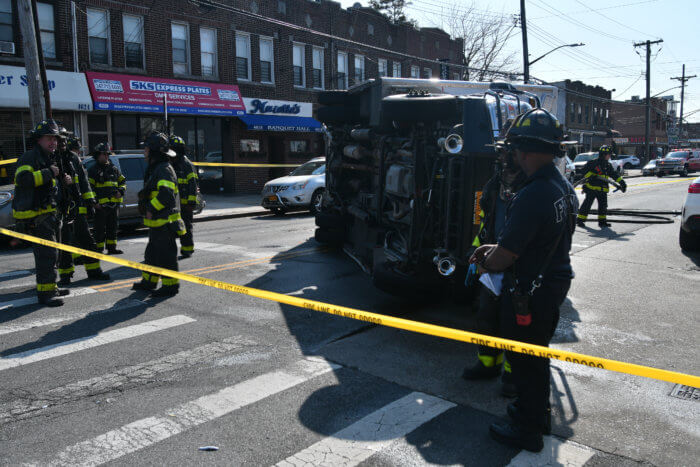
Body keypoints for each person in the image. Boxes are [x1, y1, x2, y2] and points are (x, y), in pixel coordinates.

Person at [469, 108, 577, 452]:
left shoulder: (532, 194)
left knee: (526, 361)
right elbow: (536, 240)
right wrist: (495, 247)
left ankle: (527, 429)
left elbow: (507, 256)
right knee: (536, 356)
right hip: (551, 284)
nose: (512, 154)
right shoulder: (561, 187)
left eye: (514, 147)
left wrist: (486, 262)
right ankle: (537, 414)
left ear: (525, 150)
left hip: (529, 293)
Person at [462, 153, 526, 397]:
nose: (506, 160)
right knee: (487, 317)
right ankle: (488, 364)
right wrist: (476, 252)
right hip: (492, 266)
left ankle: (514, 376)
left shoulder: (533, 188)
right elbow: (484, 222)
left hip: (519, 270)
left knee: (515, 326)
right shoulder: (494, 185)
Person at [12, 120, 72, 306]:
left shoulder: (48, 158)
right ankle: (46, 294)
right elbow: (23, 180)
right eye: (49, 138)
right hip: (38, 218)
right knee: (46, 256)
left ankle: (52, 287)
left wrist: (63, 181)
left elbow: (49, 189)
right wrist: (48, 173)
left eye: (55, 138)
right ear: (38, 139)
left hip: (51, 216)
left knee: (53, 254)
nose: (53, 142)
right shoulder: (29, 157)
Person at [131, 131, 186, 297]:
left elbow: (166, 195)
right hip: (158, 223)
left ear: (154, 151)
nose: (144, 152)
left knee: (166, 257)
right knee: (152, 255)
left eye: (146, 149)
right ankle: (149, 282)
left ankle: (170, 286)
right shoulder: (156, 168)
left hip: (165, 223)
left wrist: (150, 209)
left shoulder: (164, 169)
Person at [56, 133, 110, 285]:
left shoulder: (73, 158)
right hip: (60, 209)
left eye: (64, 141)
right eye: (60, 141)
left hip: (77, 207)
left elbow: (84, 182)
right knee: (64, 243)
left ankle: (94, 271)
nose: (62, 144)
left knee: (87, 239)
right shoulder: (50, 158)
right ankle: (65, 275)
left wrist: (90, 201)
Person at [87, 142, 125, 254]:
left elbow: (122, 181)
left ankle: (112, 247)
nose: (106, 156)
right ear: (97, 155)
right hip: (100, 207)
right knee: (99, 228)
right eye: (104, 154)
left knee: (113, 227)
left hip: (113, 205)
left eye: (107, 154)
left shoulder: (114, 169)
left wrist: (120, 191)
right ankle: (98, 249)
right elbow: (90, 188)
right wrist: (95, 203)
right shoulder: (93, 170)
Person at [576, 145, 626, 228]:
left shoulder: (608, 165)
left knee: (603, 207)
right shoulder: (593, 163)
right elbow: (583, 172)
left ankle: (602, 222)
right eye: (609, 154)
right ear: (604, 154)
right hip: (591, 189)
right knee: (587, 205)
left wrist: (622, 183)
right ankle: (580, 220)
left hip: (602, 190)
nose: (610, 156)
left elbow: (614, 175)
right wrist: (591, 175)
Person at [169, 135, 199, 258]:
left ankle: (187, 249)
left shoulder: (187, 164)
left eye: (173, 148)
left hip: (185, 204)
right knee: (173, 228)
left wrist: (191, 203)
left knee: (186, 227)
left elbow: (193, 185)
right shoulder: (172, 163)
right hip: (175, 204)